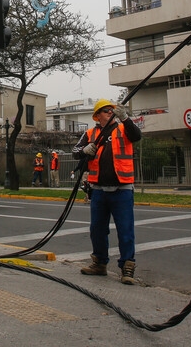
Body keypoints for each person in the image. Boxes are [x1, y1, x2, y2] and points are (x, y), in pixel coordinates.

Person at [72, 98, 143, 284]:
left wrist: (126, 118)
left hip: (122, 189)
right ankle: (99, 263)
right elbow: (75, 151)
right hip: (99, 190)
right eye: (105, 110)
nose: (109, 112)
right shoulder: (90, 133)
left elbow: (136, 136)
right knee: (97, 229)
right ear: (97, 116)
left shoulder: (123, 128)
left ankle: (127, 268)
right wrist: (84, 150)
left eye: (111, 109)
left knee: (125, 229)